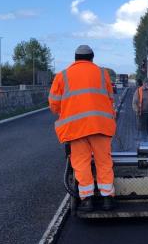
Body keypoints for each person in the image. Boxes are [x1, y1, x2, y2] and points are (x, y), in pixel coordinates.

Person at [49, 45, 116, 212]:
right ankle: (107, 198)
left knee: (81, 162)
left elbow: (54, 104)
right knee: (103, 161)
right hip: (100, 125)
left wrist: (67, 110)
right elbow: (109, 98)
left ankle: (87, 200)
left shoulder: (62, 76)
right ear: (92, 58)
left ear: (75, 58)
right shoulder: (102, 73)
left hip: (76, 128)